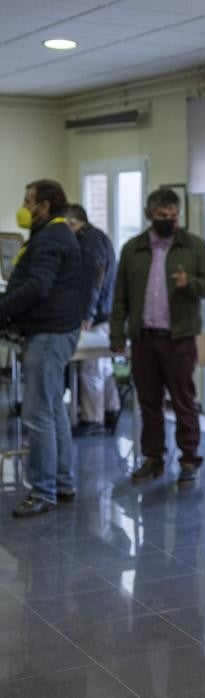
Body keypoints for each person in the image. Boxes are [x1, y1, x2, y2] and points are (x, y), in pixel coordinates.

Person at [110, 187, 205, 486]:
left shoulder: (194, 246)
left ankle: (189, 459)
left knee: (184, 401)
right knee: (149, 403)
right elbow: (120, 297)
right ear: (149, 215)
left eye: (173, 216)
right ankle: (153, 458)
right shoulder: (132, 249)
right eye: (161, 216)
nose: (168, 221)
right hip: (143, 338)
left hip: (179, 338)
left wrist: (189, 283)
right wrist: (117, 335)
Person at [2, 180, 87, 517]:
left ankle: (43, 491)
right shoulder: (54, 233)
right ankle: (62, 485)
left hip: (49, 334)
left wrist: (4, 309)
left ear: (45, 207)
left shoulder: (52, 235)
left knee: (38, 414)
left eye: (28, 201)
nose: (24, 207)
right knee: (52, 412)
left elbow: (38, 286)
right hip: (54, 330)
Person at [65, 204, 120, 437]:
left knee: (92, 369)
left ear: (74, 223)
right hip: (104, 312)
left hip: (97, 315)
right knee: (103, 367)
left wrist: (86, 315)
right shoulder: (97, 237)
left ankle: (92, 419)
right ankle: (110, 410)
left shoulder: (89, 241)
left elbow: (93, 280)